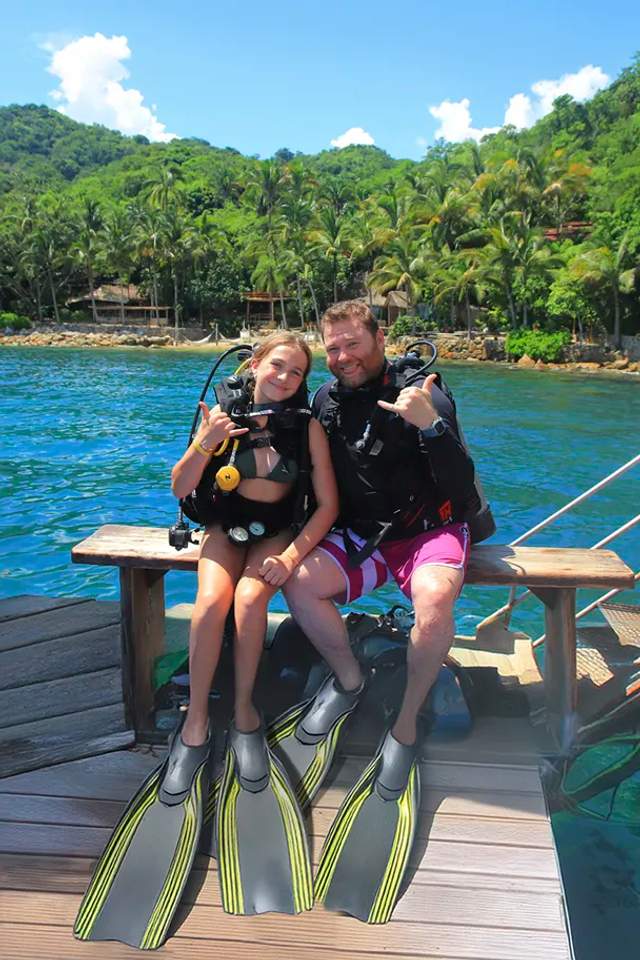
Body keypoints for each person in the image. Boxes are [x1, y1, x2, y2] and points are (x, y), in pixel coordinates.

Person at [74, 333, 337, 945]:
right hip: (224, 529)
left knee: (249, 604)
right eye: (279, 366)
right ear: (255, 366)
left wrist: (293, 555)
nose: (287, 378)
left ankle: (244, 711)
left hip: (275, 537)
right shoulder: (216, 415)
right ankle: (196, 720)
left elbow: (324, 504)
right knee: (209, 605)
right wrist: (206, 439)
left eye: (298, 372)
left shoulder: (306, 427)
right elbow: (180, 487)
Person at [269, 300, 491, 924]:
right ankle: (349, 679)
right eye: (332, 348)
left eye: (352, 344)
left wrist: (431, 428)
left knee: (435, 601)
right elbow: (298, 466)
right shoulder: (326, 404)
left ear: (379, 337)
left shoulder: (425, 391)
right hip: (365, 536)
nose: (342, 357)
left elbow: (460, 483)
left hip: (427, 533)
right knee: (300, 583)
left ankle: (408, 722)